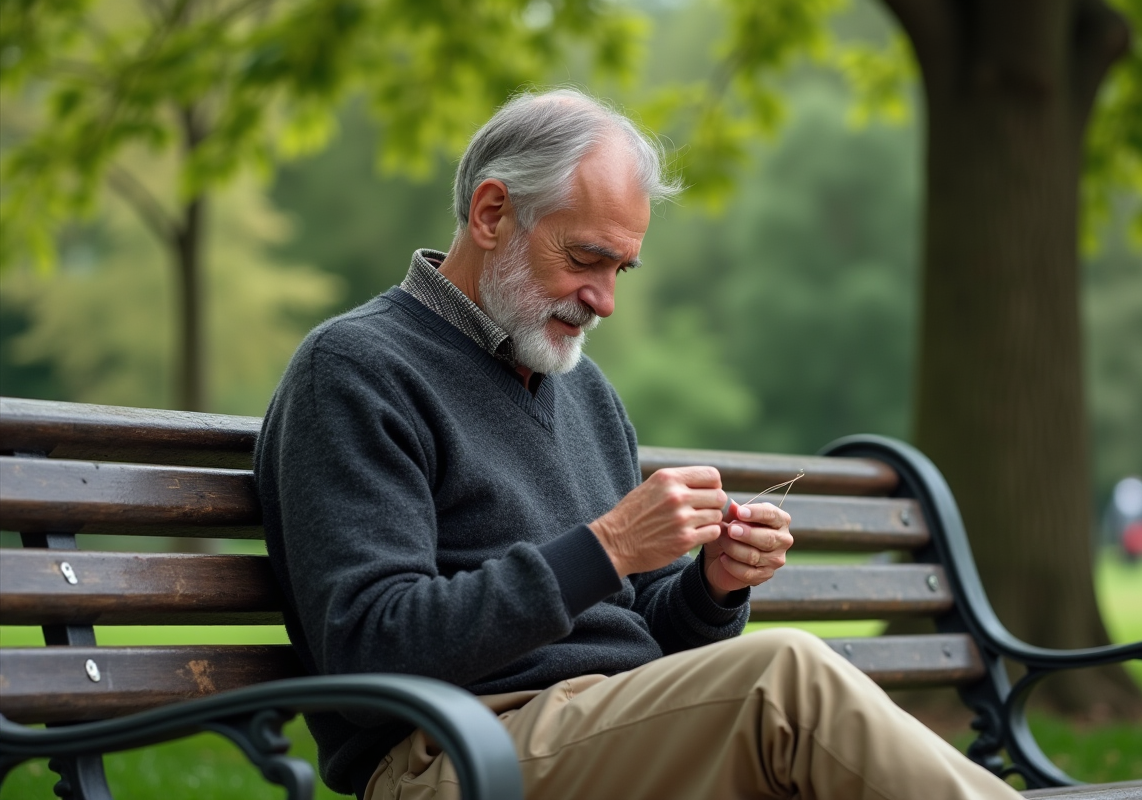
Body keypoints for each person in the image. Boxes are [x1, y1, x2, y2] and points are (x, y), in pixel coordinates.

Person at [255, 88, 1021, 800]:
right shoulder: (356, 369)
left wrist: (712, 587)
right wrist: (610, 545)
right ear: (492, 214)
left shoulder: (582, 390)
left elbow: (639, 630)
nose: (606, 301)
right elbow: (369, 645)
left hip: (610, 725)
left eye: (621, 268)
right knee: (784, 677)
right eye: (585, 259)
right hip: (453, 752)